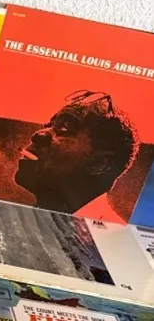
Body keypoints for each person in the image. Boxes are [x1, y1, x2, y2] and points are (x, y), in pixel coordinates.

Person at [14, 90, 139, 223]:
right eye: (48, 125)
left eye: (64, 128)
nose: (38, 134)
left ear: (98, 163)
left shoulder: (111, 234)